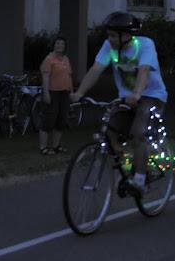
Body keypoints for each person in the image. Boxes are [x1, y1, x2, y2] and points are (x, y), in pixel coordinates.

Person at [71, 12, 168, 196]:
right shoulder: (109, 46)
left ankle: (139, 180)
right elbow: (96, 70)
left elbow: (144, 70)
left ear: (126, 35)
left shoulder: (145, 45)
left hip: (151, 96)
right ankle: (128, 165)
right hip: (126, 99)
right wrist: (79, 93)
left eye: (113, 35)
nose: (110, 39)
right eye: (108, 35)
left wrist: (137, 93)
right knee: (108, 129)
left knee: (138, 133)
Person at [38, 36, 73, 155]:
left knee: (61, 120)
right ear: (54, 45)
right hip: (53, 92)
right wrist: (46, 93)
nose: (60, 46)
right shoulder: (49, 59)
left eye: (62, 44)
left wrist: (71, 91)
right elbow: (45, 76)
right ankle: (43, 147)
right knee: (48, 119)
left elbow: (69, 76)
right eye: (58, 44)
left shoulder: (66, 59)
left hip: (64, 92)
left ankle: (56, 146)